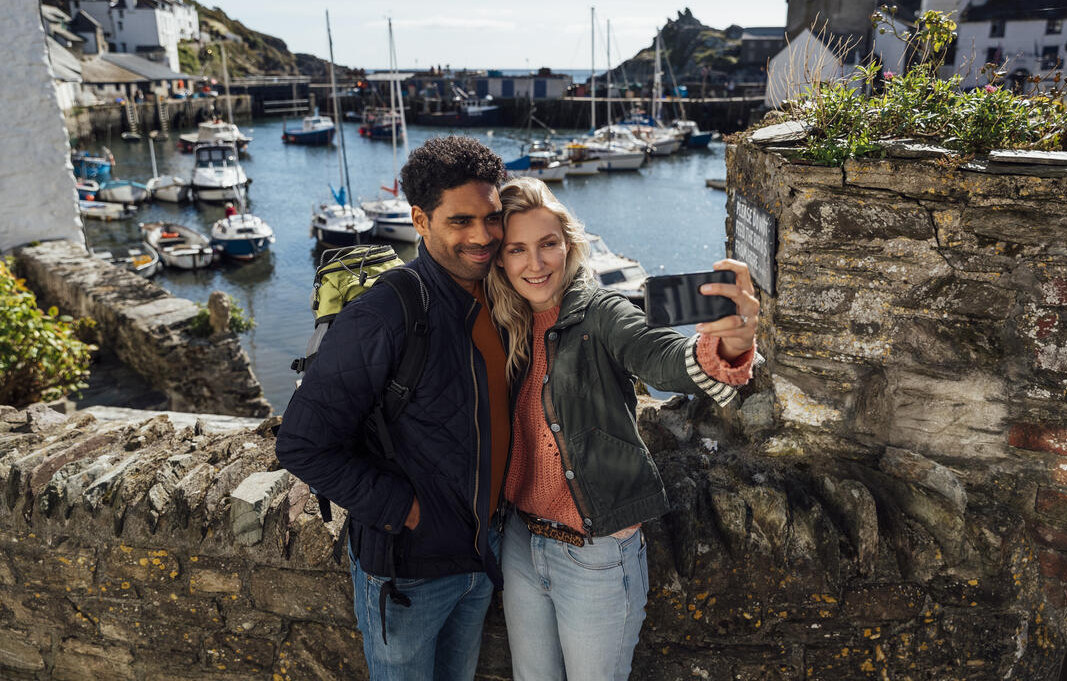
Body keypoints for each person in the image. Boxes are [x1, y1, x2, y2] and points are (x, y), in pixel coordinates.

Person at [485, 177, 760, 681]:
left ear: (568, 244)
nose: (536, 263)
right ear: (500, 259)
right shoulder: (502, 322)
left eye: (548, 244)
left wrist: (728, 346)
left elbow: (659, 356)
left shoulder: (601, 311)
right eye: (516, 249)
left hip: (596, 555)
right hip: (522, 545)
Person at [275, 136, 511, 681]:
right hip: (409, 573)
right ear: (420, 222)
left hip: (481, 556)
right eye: (460, 221)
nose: (482, 236)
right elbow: (301, 443)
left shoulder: (496, 298)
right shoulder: (384, 313)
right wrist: (401, 510)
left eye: (492, 218)